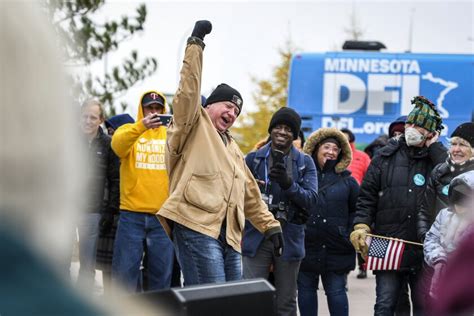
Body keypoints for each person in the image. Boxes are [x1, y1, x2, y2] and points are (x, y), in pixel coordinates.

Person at [158, 20, 283, 286]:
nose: (232, 114)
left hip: (230, 236)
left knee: (227, 303)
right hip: (196, 225)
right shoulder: (191, 125)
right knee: (210, 301)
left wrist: (269, 226)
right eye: (228, 106)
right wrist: (196, 45)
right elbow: (188, 91)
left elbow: (249, 191)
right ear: (210, 105)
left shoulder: (233, 149)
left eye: (236, 112)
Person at [350, 96, 448, 315]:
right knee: (385, 304)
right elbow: (366, 197)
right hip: (385, 241)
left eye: (419, 126)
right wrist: (361, 225)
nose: (411, 129)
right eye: (410, 124)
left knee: (425, 305)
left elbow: (450, 183)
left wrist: (436, 148)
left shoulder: (437, 159)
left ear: (431, 133)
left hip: (424, 244)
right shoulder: (384, 156)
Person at [242, 107, 317, 316]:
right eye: (278, 127)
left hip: (288, 236)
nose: (282, 132)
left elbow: (311, 200)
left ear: (295, 135)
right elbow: (237, 196)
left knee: (286, 303)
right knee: (251, 300)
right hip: (257, 235)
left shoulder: (304, 162)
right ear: (271, 129)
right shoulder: (253, 159)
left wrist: (288, 183)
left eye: (288, 129)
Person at [111, 90, 174, 292]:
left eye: (158, 108)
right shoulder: (128, 130)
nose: (154, 113)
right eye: (150, 108)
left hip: (162, 217)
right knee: (124, 276)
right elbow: (117, 147)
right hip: (132, 215)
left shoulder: (171, 133)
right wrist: (141, 126)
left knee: (160, 278)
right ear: (142, 109)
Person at [297, 128, 359, 316]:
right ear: (316, 148)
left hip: (337, 247)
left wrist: (348, 233)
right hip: (306, 245)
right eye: (327, 147)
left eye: (336, 149)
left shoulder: (348, 181)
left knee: (337, 292)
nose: (331, 152)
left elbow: (357, 210)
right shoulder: (302, 175)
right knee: (306, 290)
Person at [77, 100, 120, 291]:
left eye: (93, 117)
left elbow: (115, 179)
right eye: (85, 116)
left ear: (101, 119)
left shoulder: (108, 144)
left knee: (87, 261)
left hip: (93, 211)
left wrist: (110, 210)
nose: (88, 120)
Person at [95, 113, 135, 295]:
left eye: (114, 131)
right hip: (110, 212)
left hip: (126, 214)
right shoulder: (109, 149)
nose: (112, 136)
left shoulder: (132, 152)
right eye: (109, 131)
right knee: (106, 264)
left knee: (125, 265)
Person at [423, 171, 474, 303]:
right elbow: (431, 239)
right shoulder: (445, 215)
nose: (459, 207)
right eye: (456, 201)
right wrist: (439, 258)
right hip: (444, 283)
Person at [417, 122, 474, 241]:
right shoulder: (439, 172)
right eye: (453, 144)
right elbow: (425, 213)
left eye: (463, 145)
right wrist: (428, 239)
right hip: (435, 249)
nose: (456, 149)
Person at [340, 128, 370, 279]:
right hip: (340, 201)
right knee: (344, 234)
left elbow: (370, 178)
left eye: (346, 138)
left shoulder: (362, 157)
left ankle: (363, 266)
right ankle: (343, 269)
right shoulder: (336, 156)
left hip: (358, 200)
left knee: (359, 232)